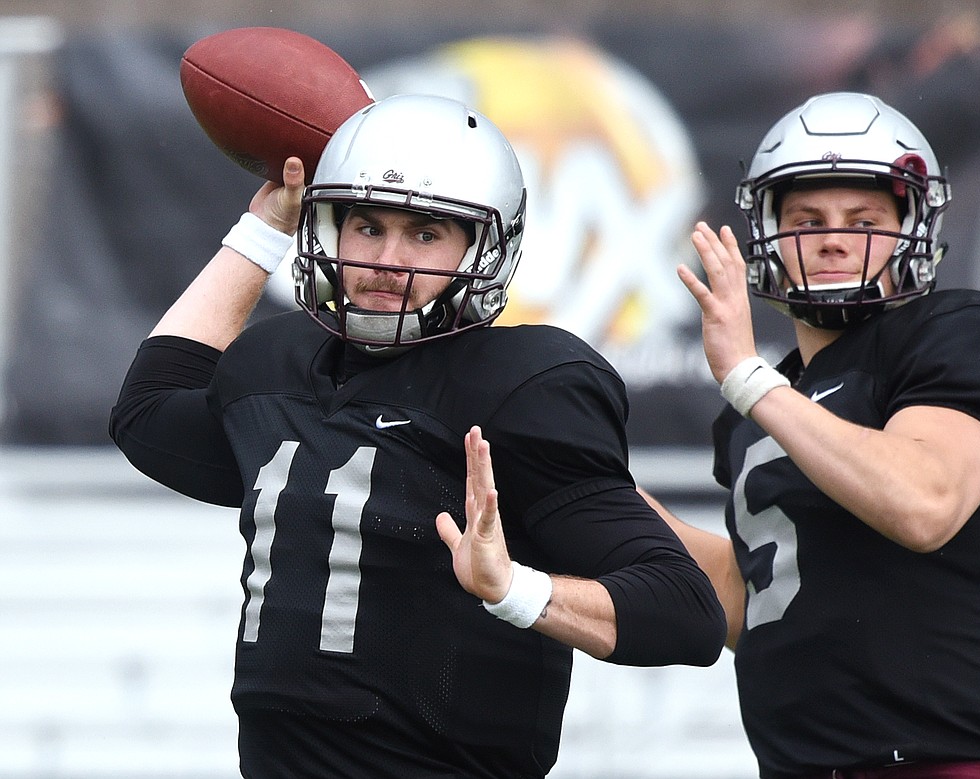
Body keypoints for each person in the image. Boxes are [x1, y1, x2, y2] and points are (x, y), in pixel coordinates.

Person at [109, 93, 725, 779]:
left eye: (425, 234)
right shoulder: (272, 365)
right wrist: (261, 228)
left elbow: (685, 610)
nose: (387, 260)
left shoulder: (519, 385)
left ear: (483, 249)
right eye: (366, 226)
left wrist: (515, 588)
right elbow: (147, 413)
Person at [641, 91, 980, 779]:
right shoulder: (759, 407)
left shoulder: (962, 332)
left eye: (864, 220)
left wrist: (747, 377)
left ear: (910, 233)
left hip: (935, 763)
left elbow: (924, 501)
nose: (833, 238)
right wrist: (594, 485)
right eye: (808, 221)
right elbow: (754, 602)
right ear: (770, 238)